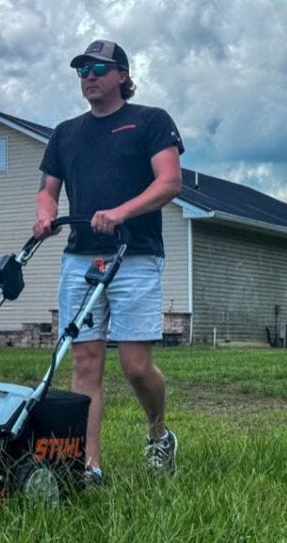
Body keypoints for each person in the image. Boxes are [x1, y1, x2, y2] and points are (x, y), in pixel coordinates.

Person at [32, 40, 184, 483]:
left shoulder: (150, 121)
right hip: (80, 256)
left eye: (99, 67)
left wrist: (121, 212)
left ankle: (158, 434)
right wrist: (44, 215)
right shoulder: (66, 133)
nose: (89, 76)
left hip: (134, 254)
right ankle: (88, 465)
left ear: (122, 75)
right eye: (82, 69)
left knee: (135, 365)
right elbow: (48, 189)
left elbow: (169, 181)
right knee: (85, 360)